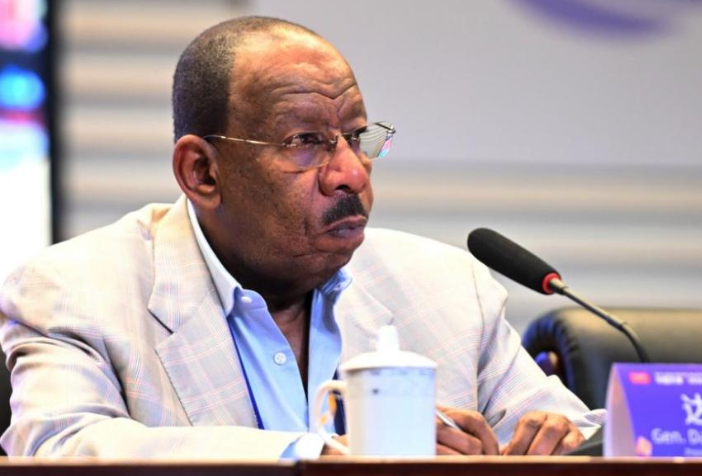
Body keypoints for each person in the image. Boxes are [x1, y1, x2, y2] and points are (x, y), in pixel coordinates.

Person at [0, 16, 598, 460]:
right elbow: (59, 447)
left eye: (358, 136)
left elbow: (586, 439)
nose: (352, 174)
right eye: (305, 142)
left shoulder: (448, 290)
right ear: (202, 172)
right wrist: (313, 457)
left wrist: (558, 445)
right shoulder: (75, 290)